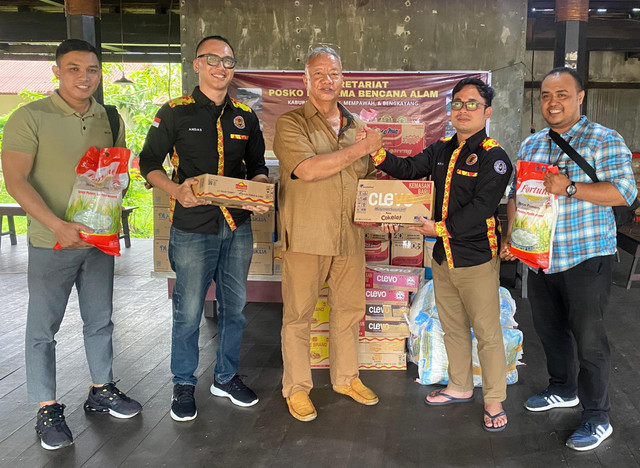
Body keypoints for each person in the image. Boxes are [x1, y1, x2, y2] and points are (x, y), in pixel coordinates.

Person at [1, 39, 142, 451]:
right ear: (57, 72)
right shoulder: (29, 117)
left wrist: (118, 184)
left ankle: (102, 389)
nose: (85, 77)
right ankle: (47, 405)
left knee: (100, 320)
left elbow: (115, 173)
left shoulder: (108, 117)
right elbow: (16, 182)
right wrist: (57, 225)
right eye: (74, 68)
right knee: (43, 329)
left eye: (92, 69)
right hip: (51, 242)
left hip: (97, 242)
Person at [500, 67, 637, 451]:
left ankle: (598, 416)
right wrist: (513, 234)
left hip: (586, 255)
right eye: (545, 95)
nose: (552, 102)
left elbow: (624, 192)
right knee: (550, 330)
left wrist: (570, 187)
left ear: (580, 97)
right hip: (541, 258)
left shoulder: (604, 140)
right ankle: (563, 388)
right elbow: (516, 195)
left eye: (561, 94)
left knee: (590, 340)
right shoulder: (531, 145)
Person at [139, 35, 269, 422]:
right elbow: (148, 162)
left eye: (227, 61)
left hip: (237, 226)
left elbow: (256, 164)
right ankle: (183, 383)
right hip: (193, 227)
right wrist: (176, 190)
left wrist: (259, 188)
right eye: (211, 59)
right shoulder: (175, 112)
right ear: (197, 64)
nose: (220, 66)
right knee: (189, 308)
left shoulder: (245, 115)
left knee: (236, 308)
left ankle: (226, 377)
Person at [372, 78, 512, 432]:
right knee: (452, 327)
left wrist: (441, 229)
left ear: (487, 111)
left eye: (472, 104)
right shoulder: (442, 149)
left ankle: (493, 399)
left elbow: (482, 207)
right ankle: (461, 386)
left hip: (477, 258)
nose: (463, 110)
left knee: (487, 332)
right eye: (458, 103)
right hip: (443, 258)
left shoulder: (495, 157)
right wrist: (376, 152)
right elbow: (406, 169)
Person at [273, 46, 383, 422]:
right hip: (306, 236)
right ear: (305, 79)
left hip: (349, 236)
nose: (326, 80)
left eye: (333, 73)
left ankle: (346, 378)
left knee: (349, 312)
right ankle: (297, 389)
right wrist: (361, 149)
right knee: (298, 316)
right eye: (318, 73)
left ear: (342, 79)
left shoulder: (357, 127)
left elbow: (365, 181)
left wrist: (383, 211)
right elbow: (307, 170)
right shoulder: (291, 123)